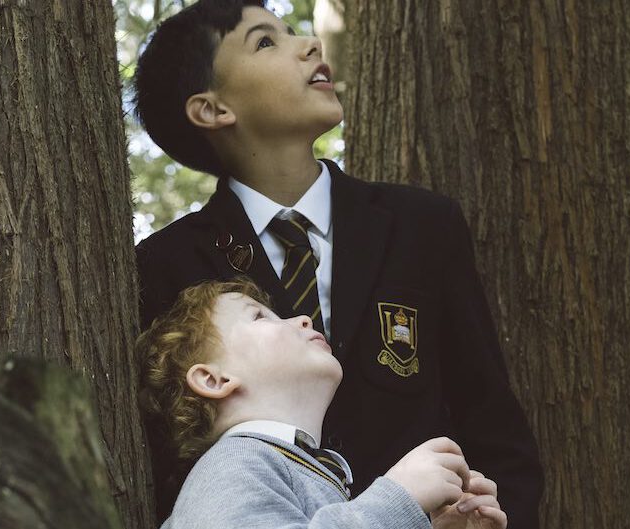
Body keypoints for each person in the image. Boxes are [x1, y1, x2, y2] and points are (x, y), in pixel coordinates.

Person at [130, 1, 544, 524]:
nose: (310, 45)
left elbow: (491, 421)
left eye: (296, 30)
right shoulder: (164, 264)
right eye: (265, 41)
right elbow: (170, 467)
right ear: (212, 109)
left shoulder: (421, 224)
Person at [140, 279, 507, 528]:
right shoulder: (232, 465)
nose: (303, 319)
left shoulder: (295, 468)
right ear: (214, 379)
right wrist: (398, 499)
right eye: (259, 316)